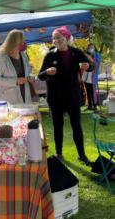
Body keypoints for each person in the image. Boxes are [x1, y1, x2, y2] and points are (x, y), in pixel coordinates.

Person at [38, 26, 92, 166]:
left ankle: (82, 155)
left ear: (67, 38)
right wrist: (47, 72)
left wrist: (87, 66)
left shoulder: (76, 52)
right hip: (55, 97)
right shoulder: (50, 55)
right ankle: (59, 153)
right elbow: (40, 75)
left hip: (72, 95)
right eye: (54, 38)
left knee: (76, 125)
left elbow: (90, 65)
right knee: (58, 125)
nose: (56, 40)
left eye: (59, 38)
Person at [0, 29, 34, 104]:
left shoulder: (24, 56)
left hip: (25, 95)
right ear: (15, 42)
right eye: (22, 41)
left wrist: (30, 77)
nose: (24, 43)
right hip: (8, 98)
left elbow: (28, 71)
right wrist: (15, 81)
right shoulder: (1, 57)